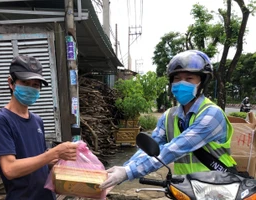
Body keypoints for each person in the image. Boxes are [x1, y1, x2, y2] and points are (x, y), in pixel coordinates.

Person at [100, 50, 237, 189]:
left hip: (218, 187)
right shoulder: (169, 116)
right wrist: (124, 169)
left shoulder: (212, 114)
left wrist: (129, 172)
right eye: (177, 79)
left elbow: (175, 148)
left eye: (189, 78)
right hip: (187, 188)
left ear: (202, 82)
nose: (181, 83)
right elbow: (151, 148)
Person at [0, 55, 78, 200]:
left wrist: (54, 162)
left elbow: (39, 161)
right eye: (25, 82)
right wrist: (53, 153)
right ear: (11, 83)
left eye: (35, 85)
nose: (31, 89)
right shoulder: (1, 120)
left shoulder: (37, 121)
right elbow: (10, 169)